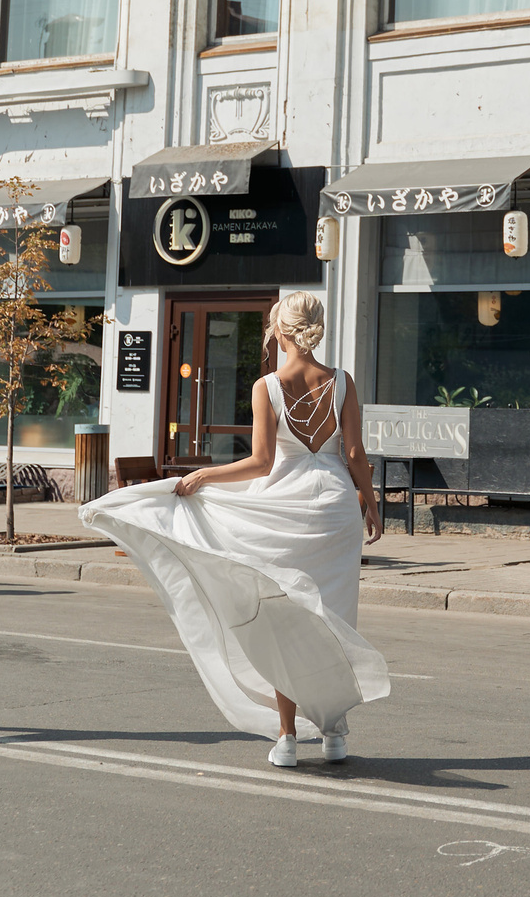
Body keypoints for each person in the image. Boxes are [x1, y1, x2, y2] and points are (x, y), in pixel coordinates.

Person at [79, 291, 389, 769]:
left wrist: (204, 475)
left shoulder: (267, 386)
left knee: (286, 620)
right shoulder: (343, 381)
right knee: (333, 620)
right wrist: (369, 502)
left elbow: (261, 463)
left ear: (281, 330)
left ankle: (287, 737)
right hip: (334, 511)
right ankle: (335, 734)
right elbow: (353, 455)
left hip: (283, 509)